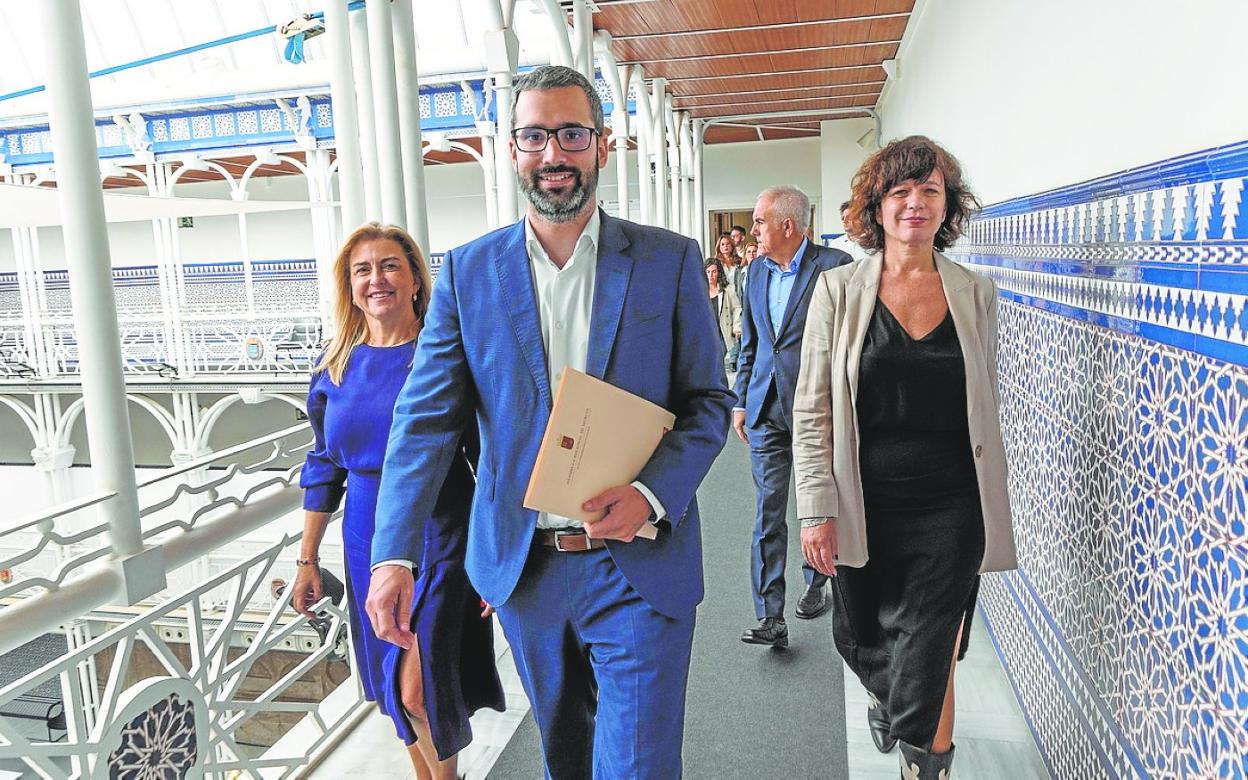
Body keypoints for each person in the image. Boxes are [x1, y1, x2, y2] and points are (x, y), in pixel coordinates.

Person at [365, 65, 732, 779]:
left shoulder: (667, 260)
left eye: (571, 134)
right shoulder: (468, 273)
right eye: (534, 136)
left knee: (638, 765)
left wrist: (651, 494)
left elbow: (708, 402)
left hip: (637, 562)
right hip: (526, 570)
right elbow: (424, 424)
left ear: (604, 144)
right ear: (512, 150)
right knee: (566, 759)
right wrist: (393, 557)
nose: (553, 154)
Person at [792, 136, 1018, 778]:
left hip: (952, 503)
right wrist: (816, 509)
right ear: (877, 206)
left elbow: (980, 396)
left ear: (948, 205)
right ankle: (888, 696)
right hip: (864, 500)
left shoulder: (975, 293)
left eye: (930, 190)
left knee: (931, 643)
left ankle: (925, 765)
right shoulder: (838, 291)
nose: (915, 202)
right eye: (900, 191)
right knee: (860, 635)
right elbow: (811, 409)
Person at [293, 223, 504, 780]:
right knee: (393, 685)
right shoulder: (334, 365)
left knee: (419, 687)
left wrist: (493, 554)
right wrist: (307, 559)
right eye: (361, 270)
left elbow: (489, 460)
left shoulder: (445, 356)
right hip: (364, 535)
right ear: (349, 286)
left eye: (389, 265)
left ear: (414, 279)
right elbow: (323, 467)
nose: (376, 279)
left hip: (440, 527)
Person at [732, 185, 852, 648]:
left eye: (760, 222)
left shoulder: (835, 267)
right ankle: (770, 615)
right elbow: (751, 343)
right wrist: (741, 400)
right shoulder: (755, 273)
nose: (754, 230)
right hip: (765, 408)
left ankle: (816, 582)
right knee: (768, 511)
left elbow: (849, 345)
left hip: (818, 411)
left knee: (817, 501)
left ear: (787, 225)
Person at [711, 234, 744, 370]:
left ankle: (735, 359)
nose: (725, 247)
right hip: (723, 296)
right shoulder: (715, 263)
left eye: (728, 244)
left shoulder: (739, 261)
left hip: (738, 295)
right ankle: (729, 359)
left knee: (737, 328)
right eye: (722, 244)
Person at [705, 257, 742, 372]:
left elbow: (737, 308)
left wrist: (737, 327)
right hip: (706, 332)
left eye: (714, 272)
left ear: (719, 273)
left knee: (717, 361)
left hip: (722, 332)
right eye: (708, 272)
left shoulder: (728, 290)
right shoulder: (701, 291)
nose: (711, 275)